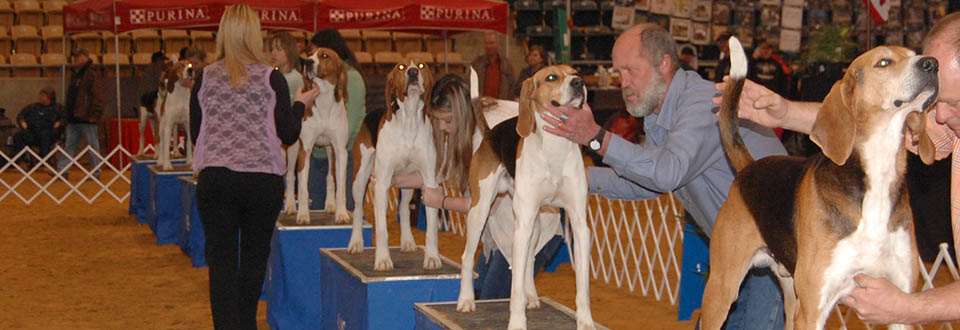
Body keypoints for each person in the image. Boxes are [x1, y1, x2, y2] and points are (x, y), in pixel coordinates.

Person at [541, 23, 788, 328]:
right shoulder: (660, 112)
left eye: (630, 70)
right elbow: (648, 181)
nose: (624, 83)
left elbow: (666, 173)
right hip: (739, 253)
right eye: (619, 73)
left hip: (778, 252)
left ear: (664, 64)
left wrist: (596, 138)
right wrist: (577, 180)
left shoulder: (703, 104)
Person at [721, 12, 960, 325]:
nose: (940, 117)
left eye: (954, 104)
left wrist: (906, 308)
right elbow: (859, 120)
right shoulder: (948, 123)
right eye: (935, 103)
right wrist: (785, 112)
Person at [188, 4, 319, 329]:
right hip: (261, 181)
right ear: (253, 35)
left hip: (216, 179)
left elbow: (196, 132)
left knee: (221, 267)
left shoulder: (204, 79)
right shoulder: (271, 78)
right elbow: (287, 133)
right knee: (253, 265)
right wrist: (300, 104)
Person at [387, 74, 564, 299]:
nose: (442, 127)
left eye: (447, 121)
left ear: (461, 114)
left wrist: (441, 202)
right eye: (439, 120)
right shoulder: (466, 130)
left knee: (492, 301)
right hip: (499, 235)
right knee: (480, 295)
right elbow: (439, 172)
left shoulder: (494, 128)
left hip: (533, 233)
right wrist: (392, 180)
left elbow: (485, 204)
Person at [306, 28, 368, 211]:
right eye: (312, 54)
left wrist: (323, 142)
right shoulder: (317, 81)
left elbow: (348, 127)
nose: (314, 59)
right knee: (317, 213)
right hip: (319, 158)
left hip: (347, 157)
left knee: (347, 212)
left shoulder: (354, 79)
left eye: (320, 54)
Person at [57, 48, 103, 179]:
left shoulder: (92, 74)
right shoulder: (76, 74)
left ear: (85, 57)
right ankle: (62, 170)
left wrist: (95, 114)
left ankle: (96, 171)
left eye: (77, 58)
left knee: (92, 146)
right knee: (70, 145)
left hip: (87, 117)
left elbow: (98, 96)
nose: (74, 60)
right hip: (74, 117)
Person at [13, 87, 63, 166]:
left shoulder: (58, 108)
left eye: (43, 96)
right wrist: (22, 122)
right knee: (18, 135)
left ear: (50, 97)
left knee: (45, 135)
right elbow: (21, 116)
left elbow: (64, 119)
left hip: (49, 134)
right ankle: (22, 160)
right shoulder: (33, 107)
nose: (41, 97)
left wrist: (59, 123)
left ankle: (44, 160)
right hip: (32, 133)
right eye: (40, 95)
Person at [471, 32, 516, 100]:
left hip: (501, 105)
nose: (489, 46)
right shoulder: (477, 64)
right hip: (482, 104)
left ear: (498, 44)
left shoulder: (506, 64)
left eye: (492, 43)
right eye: (486, 43)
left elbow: (512, 87)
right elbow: (470, 84)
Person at [267, 32, 304, 105]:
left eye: (278, 49)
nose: (273, 53)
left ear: (289, 51)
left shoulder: (294, 79)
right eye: (272, 49)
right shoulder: (275, 75)